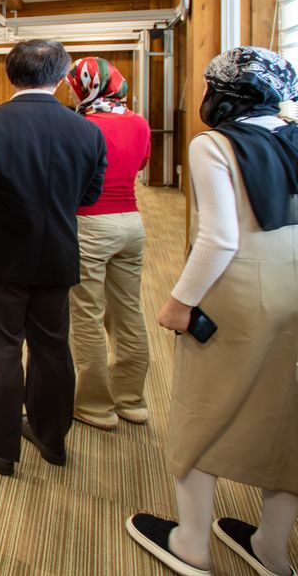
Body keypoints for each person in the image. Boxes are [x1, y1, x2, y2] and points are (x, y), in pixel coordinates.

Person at [127, 47, 298, 576]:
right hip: (293, 276)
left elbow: (219, 237)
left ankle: (192, 543)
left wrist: (179, 302)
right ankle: (271, 548)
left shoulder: (215, 144)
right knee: (287, 419)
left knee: (203, 409)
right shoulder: (292, 135)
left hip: (240, 285)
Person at [0, 39, 107, 477]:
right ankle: (50, 437)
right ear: (61, 78)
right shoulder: (89, 130)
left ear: (9, 74)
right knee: (53, 347)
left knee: (2, 347)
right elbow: (89, 196)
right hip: (57, 252)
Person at [63, 57, 152, 432]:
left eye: (73, 85)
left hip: (90, 223)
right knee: (128, 311)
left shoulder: (80, 127)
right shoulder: (139, 122)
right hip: (131, 222)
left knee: (87, 312)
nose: (69, 91)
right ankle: (131, 400)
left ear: (87, 86)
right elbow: (141, 163)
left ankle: (96, 406)